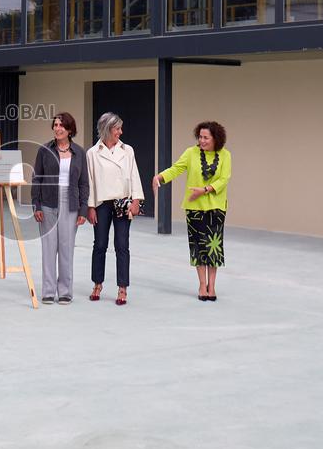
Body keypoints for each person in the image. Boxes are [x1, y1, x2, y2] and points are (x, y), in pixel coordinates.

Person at [153, 121, 232, 302]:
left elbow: (224, 178)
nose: (202, 141)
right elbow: (176, 169)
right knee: (198, 247)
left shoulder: (225, 155)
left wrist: (204, 190)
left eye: (206, 138)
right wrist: (160, 177)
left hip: (216, 207)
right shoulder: (191, 153)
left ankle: (212, 286)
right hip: (194, 209)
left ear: (215, 138)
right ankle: (202, 285)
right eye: (200, 137)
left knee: (213, 248)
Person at [86, 112, 144, 306]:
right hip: (101, 203)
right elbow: (91, 181)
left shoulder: (127, 150)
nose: (121, 132)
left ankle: (122, 287)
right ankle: (97, 284)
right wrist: (91, 207)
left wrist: (136, 200)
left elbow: (134, 174)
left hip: (123, 202)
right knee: (100, 244)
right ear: (107, 129)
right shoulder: (92, 153)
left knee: (122, 245)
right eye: (117, 128)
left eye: (120, 128)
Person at [31, 112, 90, 305]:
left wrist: (83, 211)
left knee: (66, 248)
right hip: (48, 203)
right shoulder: (44, 150)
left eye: (61, 125)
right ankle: (48, 291)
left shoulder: (80, 153)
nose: (57, 128)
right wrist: (36, 205)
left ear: (70, 130)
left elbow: (84, 184)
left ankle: (65, 291)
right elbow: (36, 179)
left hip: (70, 202)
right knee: (48, 248)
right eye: (55, 125)